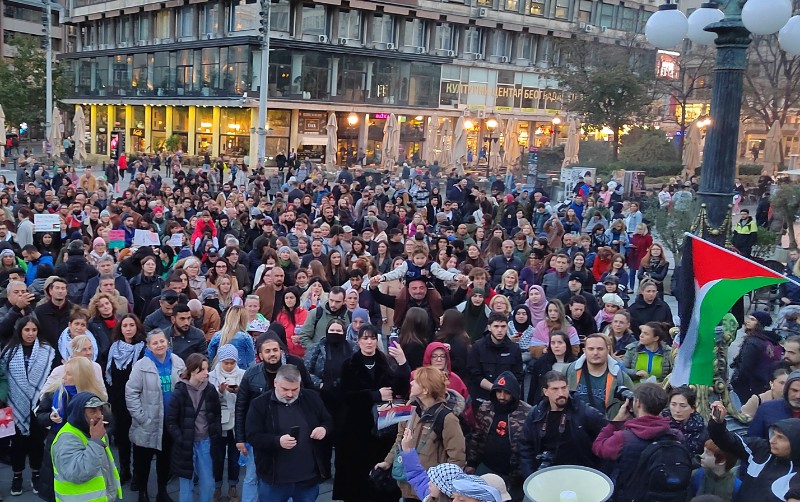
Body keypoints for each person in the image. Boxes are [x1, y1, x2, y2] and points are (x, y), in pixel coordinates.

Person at [333, 324, 411, 502]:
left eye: (372, 338)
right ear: (358, 341)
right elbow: (345, 395)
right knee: (356, 475)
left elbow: (400, 390)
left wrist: (402, 363)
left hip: (383, 428)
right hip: (356, 427)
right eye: (365, 338)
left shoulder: (385, 361)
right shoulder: (349, 364)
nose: (369, 342)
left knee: (379, 476)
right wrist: (374, 395)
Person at [234, 332, 313, 502]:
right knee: (253, 475)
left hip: (291, 429)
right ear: (260, 355)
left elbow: (309, 393)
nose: (272, 354)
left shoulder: (295, 365)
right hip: (261, 432)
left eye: (275, 350)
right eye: (268, 351)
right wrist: (240, 437)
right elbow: (241, 406)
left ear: (281, 351)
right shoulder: (251, 374)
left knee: (291, 475)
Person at [246, 363, 334, 501]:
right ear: (275, 382)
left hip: (307, 480)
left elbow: (328, 420)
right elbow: (252, 436)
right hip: (274, 481)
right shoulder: (259, 404)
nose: (290, 394)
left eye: (295, 389)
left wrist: (324, 429)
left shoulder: (311, 397)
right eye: (285, 389)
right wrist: (277, 441)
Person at [378, 366, 466, 502]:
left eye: (416, 381)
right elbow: (400, 438)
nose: (411, 382)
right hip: (407, 485)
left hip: (431, 492)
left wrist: (442, 492)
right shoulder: (410, 408)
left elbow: (456, 459)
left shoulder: (447, 419)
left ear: (425, 390)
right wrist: (388, 461)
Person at [592, 383, 692, 501]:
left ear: (638, 403)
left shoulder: (623, 438)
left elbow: (598, 447)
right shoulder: (675, 435)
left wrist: (616, 421)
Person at [126, 329, 186, 502]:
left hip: (169, 421)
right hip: (148, 422)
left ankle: (162, 491)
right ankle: (143, 492)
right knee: (142, 460)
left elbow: (184, 386)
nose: (159, 345)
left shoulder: (177, 362)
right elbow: (131, 393)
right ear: (149, 346)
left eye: (162, 341)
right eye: (155, 343)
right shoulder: (141, 366)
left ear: (167, 342)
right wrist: (141, 417)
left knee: (164, 460)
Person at [1, 316, 56, 496]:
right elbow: (5, 377)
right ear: (20, 331)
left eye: (34, 330)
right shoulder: (8, 351)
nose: (30, 333)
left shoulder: (46, 351)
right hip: (13, 404)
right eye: (27, 330)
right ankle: (17, 476)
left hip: (38, 404)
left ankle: (36, 474)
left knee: (37, 442)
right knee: (16, 444)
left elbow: (49, 377)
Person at [520, 371, 608, 476]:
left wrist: (599, 475)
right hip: (546, 475)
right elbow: (525, 446)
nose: (561, 393)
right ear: (545, 391)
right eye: (555, 389)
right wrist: (531, 476)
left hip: (581, 474)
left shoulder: (585, 412)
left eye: (564, 388)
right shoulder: (536, 414)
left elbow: (606, 440)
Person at [709, 400, 800, 501]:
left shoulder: (796, 476)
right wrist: (718, 423)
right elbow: (728, 441)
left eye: (780, 437)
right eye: (773, 434)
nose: (772, 440)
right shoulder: (761, 449)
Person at [166, 353, 222, 502]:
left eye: (206, 369)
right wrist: (181, 439)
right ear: (192, 370)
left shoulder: (210, 390)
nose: (206, 373)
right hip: (187, 443)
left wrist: (215, 433)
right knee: (186, 484)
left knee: (208, 483)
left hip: (205, 441)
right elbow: (171, 420)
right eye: (202, 370)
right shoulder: (180, 392)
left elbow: (217, 413)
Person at [465, 372, 530, 498]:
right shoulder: (485, 408)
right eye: (498, 392)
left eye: (506, 393)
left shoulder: (527, 412)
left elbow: (530, 445)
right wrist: (471, 463)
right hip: (488, 467)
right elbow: (476, 437)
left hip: (515, 475)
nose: (502, 396)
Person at [49, 392, 122, 502]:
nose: (99, 415)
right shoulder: (66, 439)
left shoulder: (94, 431)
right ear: (79, 414)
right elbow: (78, 473)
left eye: (100, 409)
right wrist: (96, 442)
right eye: (92, 411)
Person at [105, 314, 146, 488]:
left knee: (137, 437)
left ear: (137, 327)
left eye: (131, 325)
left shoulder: (143, 349)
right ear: (120, 329)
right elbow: (110, 374)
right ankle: (124, 470)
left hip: (138, 400)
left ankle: (138, 472)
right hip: (118, 400)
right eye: (124, 326)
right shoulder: (114, 348)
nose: (128, 329)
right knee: (122, 438)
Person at [207, 344, 246, 501]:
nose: (229, 366)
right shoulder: (211, 376)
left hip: (237, 421)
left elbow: (246, 398)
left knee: (234, 456)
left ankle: (233, 485)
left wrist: (237, 391)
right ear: (220, 361)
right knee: (217, 455)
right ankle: (216, 486)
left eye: (232, 362)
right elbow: (208, 401)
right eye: (226, 362)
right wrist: (220, 392)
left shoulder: (243, 374)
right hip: (219, 422)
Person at [566, 333, 634, 419]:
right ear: (584, 350)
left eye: (600, 349)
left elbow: (633, 406)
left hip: (608, 428)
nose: (595, 353)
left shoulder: (620, 377)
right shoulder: (569, 371)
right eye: (591, 349)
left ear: (607, 350)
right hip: (575, 428)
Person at [467, 312, 524, 403]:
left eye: (503, 326)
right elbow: (474, 374)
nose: (500, 330)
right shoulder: (478, 347)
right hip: (482, 397)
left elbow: (518, 375)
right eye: (496, 326)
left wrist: (504, 391)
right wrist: (495, 388)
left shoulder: (514, 349)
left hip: (506, 397)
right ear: (489, 327)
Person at [731, 311, 784, 404]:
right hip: (762, 384)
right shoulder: (769, 340)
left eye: (752, 319)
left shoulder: (752, 342)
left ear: (760, 323)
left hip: (748, 385)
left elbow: (745, 367)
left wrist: (736, 380)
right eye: (748, 318)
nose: (747, 321)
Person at [528, 332, 577, 404]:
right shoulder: (541, 363)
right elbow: (534, 388)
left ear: (567, 345)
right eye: (553, 343)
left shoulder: (576, 364)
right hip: (545, 403)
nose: (556, 346)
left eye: (560, 343)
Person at [749, 369, 800, 439]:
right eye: (794, 390)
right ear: (787, 389)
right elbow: (752, 441)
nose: (798, 396)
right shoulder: (766, 409)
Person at [660, 386, 708, 458]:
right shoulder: (660, 425)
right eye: (673, 404)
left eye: (683, 406)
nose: (677, 410)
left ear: (692, 408)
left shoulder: (701, 430)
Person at [208, 305, 255, 369]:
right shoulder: (246, 338)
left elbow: (209, 357)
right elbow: (251, 362)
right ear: (244, 320)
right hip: (241, 375)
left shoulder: (217, 336)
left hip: (218, 372)